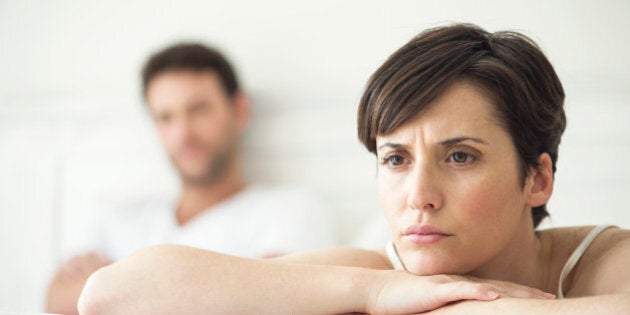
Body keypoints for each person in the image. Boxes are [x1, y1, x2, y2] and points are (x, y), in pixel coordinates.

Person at [77, 24, 630, 314]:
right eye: (395, 159)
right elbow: (108, 297)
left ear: (537, 178)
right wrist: (370, 294)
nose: (420, 196)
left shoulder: (602, 262)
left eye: (459, 156)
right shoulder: (373, 275)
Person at [45, 43, 338, 314]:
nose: (183, 134)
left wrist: (116, 281)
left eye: (198, 110)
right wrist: (215, 286)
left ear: (239, 110)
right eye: (166, 117)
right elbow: (56, 299)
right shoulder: (115, 217)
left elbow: (273, 301)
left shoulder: (289, 209)